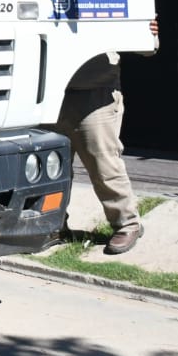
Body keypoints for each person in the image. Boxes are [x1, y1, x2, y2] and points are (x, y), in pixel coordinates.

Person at [55, 51, 143, 254]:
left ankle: (127, 224)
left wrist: (148, 31)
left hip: (95, 92)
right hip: (50, 92)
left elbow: (146, 40)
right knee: (51, 168)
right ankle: (54, 226)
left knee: (103, 163)